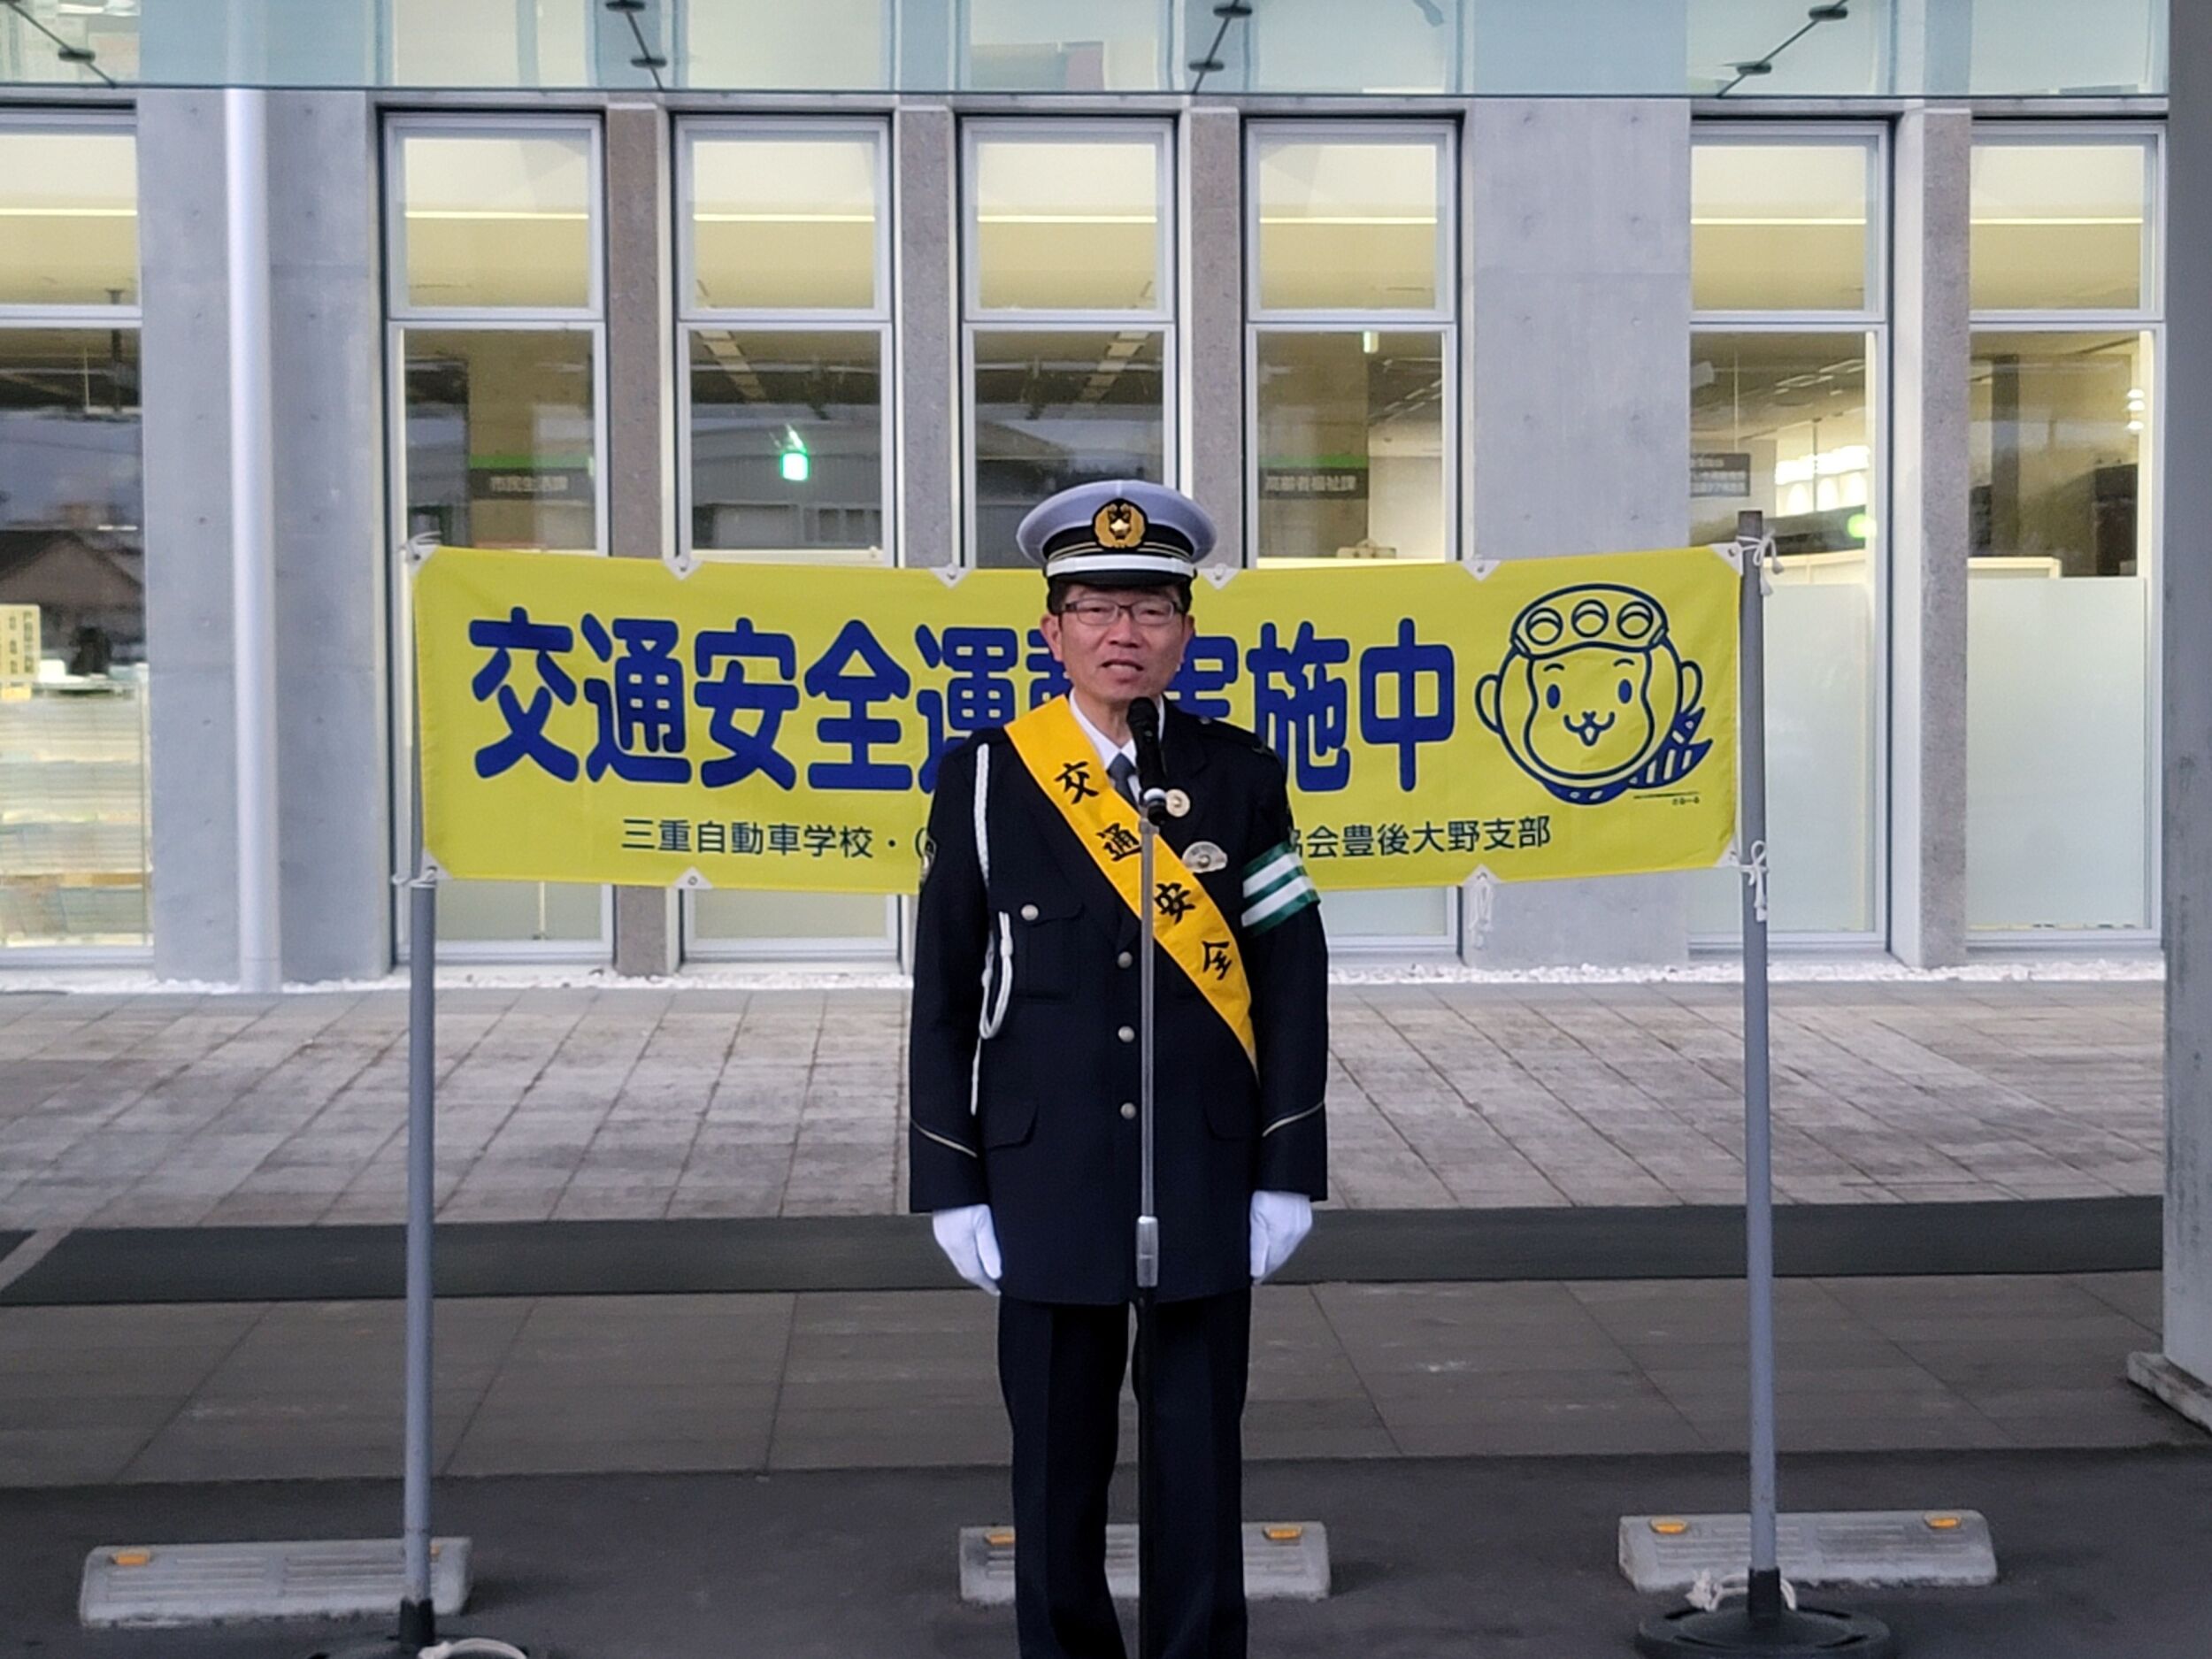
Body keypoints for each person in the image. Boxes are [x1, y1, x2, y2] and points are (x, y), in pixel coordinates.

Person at [909, 479, 1329, 1659]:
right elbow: (944, 992)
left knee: (1200, 1456)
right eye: (1095, 608)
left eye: (1149, 610)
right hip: (1044, 1170)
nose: (1122, 633)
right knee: (1053, 1463)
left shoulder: (1239, 776)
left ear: (1186, 631)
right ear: (1052, 632)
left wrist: (1286, 1166)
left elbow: (1292, 977)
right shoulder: (987, 777)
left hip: (1201, 1162)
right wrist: (949, 1179)